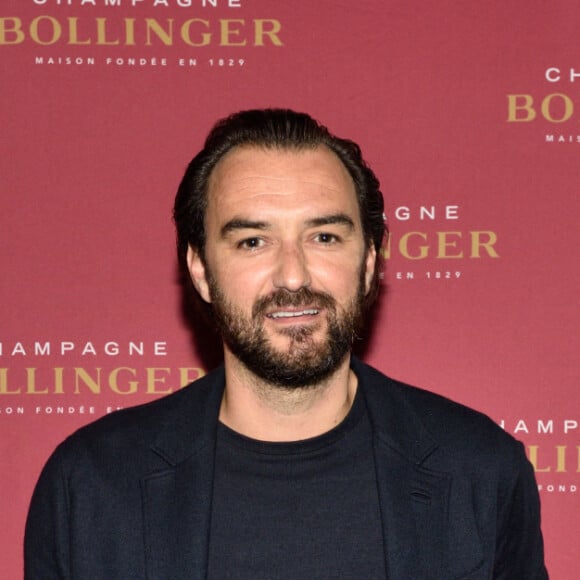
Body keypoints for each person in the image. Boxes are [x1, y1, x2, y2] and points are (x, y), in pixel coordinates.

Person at [25, 109, 548, 579]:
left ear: (368, 263)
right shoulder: (91, 485)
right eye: (253, 241)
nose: (293, 275)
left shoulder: (481, 471)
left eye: (324, 237)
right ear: (202, 270)